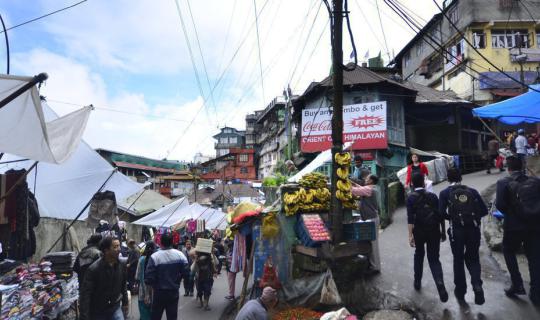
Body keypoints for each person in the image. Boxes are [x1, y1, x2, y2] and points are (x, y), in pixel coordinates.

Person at [439, 168, 488, 305]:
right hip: (473, 229)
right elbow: (484, 211)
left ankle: (460, 291)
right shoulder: (472, 191)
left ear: (448, 179)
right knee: (473, 258)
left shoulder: (444, 194)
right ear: (461, 178)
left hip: (457, 232)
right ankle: (477, 284)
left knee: (458, 259)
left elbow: (441, 213)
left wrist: (453, 218)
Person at [495, 155, 540, 306]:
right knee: (534, 257)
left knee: (508, 251)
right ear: (522, 167)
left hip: (513, 226)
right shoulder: (535, 181)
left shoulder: (503, 183)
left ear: (508, 168)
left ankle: (517, 284)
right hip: (534, 224)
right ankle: (536, 293)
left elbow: (500, 205)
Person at [406, 173, 448, 303]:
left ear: (412, 184)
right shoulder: (433, 196)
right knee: (434, 259)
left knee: (419, 254)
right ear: (424, 184)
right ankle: (440, 283)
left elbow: (410, 219)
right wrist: (442, 231)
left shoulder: (410, 198)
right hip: (434, 230)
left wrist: (410, 235)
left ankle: (417, 281)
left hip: (419, 231)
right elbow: (440, 215)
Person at [80, 236, 129, 320]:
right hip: (98, 311)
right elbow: (86, 295)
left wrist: (125, 302)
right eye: (115, 247)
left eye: (119, 246)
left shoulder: (121, 265)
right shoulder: (94, 269)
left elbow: (123, 284)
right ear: (106, 250)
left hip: (115, 308)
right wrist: (84, 316)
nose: (119, 249)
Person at [145, 232, 188, 320]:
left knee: (155, 316)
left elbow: (149, 278)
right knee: (172, 317)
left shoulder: (154, 257)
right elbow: (187, 274)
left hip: (158, 293)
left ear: (160, 242)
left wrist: (153, 287)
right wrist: (178, 280)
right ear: (172, 242)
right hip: (173, 292)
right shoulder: (180, 255)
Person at [351, 174, 381, 273]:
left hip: (371, 219)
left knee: (373, 244)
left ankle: (375, 267)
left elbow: (354, 191)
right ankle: (371, 264)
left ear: (371, 181)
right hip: (372, 218)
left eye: (367, 178)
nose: (365, 179)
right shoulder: (372, 188)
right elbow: (361, 188)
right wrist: (354, 183)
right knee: (370, 243)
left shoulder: (369, 189)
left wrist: (345, 185)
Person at [135, 241, 157, 320]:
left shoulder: (141, 259)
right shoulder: (156, 259)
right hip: (154, 289)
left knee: (144, 310)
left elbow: (137, 276)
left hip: (142, 290)